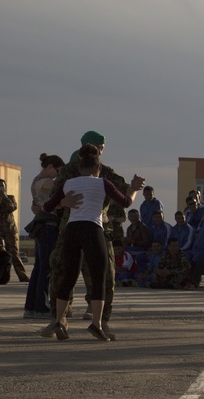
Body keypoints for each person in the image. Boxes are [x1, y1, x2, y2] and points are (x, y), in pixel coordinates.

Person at [42, 144, 143, 341]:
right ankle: (97, 324)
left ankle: (58, 321)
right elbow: (126, 202)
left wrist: (63, 202)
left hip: (71, 231)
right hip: (92, 229)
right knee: (99, 278)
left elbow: (47, 206)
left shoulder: (67, 183)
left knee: (68, 277)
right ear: (98, 168)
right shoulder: (103, 183)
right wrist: (134, 190)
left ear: (79, 166)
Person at [24, 153, 65, 318]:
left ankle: (32, 306)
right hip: (48, 226)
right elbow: (59, 186)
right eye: (58, 171)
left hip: (44, 226)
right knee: (45, 269)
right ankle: (41, 307)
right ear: (50, 167)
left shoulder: (39, 180)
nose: (58, 175)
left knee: (39, 269)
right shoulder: (43, 182)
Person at [0, 178, 30, 282]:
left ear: (5, 187)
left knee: (14, 253)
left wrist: (5, 198)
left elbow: (12, 207)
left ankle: (22, 275)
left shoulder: (11, 198)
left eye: (2, 185)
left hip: (9, 230)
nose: (1, 187)